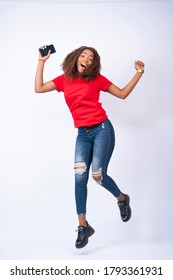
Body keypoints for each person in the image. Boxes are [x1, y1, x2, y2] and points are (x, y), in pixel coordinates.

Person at [35, 45, 145, 249]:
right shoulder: (64, 79)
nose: (87, 58)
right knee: (79, 178)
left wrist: (138, 73)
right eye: (84, 55)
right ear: (76, 58)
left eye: (91, 57)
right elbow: (39, 88)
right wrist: (42, 61)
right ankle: (83, 227)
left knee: (98, 175)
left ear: (94, 63)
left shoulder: (97, 79)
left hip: (102, 128)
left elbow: (122, 94)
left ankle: (122, 199)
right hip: (82, 134)